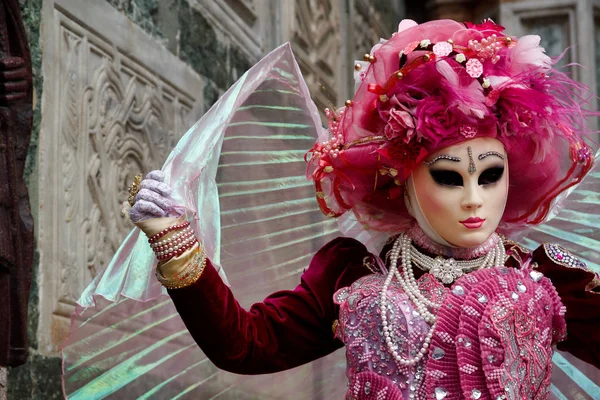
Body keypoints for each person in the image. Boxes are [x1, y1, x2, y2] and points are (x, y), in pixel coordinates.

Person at [129, 19, 599, 399]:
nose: (474, 198)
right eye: (449, 177)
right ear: (405, 181)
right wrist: (174, 241)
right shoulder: (354, 277)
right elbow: (248, 347)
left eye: (489, 175)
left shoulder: (549, 283)